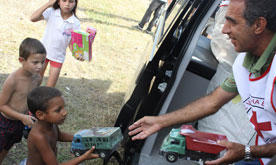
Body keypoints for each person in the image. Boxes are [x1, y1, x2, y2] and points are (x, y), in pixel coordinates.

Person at [129, 0, 276, 164]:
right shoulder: (245, 60)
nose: (224, 29)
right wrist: (160, 121)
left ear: (258, 25)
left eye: (232, 22)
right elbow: (213, 102)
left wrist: (247, 151)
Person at [22, 86, 99, 165]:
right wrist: (83, 157)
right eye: (58, 110)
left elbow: (59, 136)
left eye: (63, 107)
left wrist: (81, 138)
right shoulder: (39, 137)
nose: (65, 112)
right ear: (40, 115)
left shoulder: (51, 124)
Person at [0, 38, 46, 164]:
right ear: (22, 60)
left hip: (20, 122)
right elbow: (1, 106)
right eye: (35, 62)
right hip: (4, 122)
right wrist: (21, 116)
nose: (40, 66)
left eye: (43, 62)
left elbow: (31, 98)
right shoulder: (13, 80)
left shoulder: (37, 78)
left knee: (7, 147)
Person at [30, 0, 81, 87]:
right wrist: (49, 4)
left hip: (58, 57)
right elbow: (33, 18)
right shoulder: (51, 12)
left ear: (75, 3)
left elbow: (71, 43)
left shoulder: (75, 22)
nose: (67, 4)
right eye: (64, 1)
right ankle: (30, 98)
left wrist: (77, 54)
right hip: (43, 52)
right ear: (58, 2)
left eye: (71, 1)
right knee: (35, 81)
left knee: (50, 87)